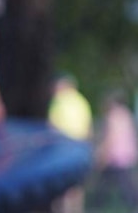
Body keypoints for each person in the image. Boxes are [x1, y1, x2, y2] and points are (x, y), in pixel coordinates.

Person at [48, 74, 93, 213]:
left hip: (63, 149)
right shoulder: (82, 101)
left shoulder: (58, 100)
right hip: (80, 148)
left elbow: (51, 126)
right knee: (76, 187)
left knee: (62, 188)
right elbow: (89, 128)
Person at [92, 91, 138, 210]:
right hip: (126, 153)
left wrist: (102, 152)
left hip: (114, 155)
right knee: (114, 181)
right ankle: (98, 203)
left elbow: (110, 137)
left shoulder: (112, 116)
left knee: (118, 182)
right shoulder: (126, 114)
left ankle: (98, 204)